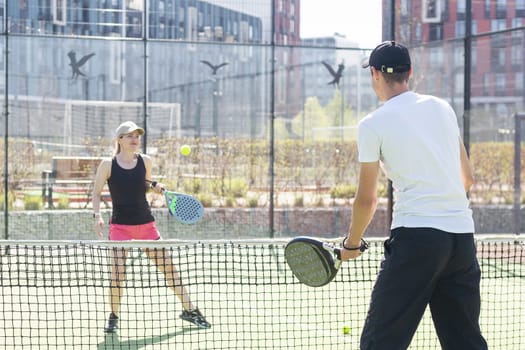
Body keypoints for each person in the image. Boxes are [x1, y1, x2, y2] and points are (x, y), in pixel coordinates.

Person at [340, 41, 488, 350]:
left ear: (376, 75)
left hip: (416, 241)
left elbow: (367, 199)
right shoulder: (442, 108)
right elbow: (468, 178)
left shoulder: (372, 124)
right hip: (461, 241)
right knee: (465, 342)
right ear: (409, 73)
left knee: (381, 342)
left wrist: (351, 244)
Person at [92, 120, 210, 333]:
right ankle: (114, 316)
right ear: (119, 139)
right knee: (118, 275)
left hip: (146, 225)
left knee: (169, 270)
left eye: (137, 135)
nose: (135, 139)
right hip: (120, 227)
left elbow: (144, 184)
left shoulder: (145, 161)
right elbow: (96, 192)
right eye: (130, 135)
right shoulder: (107, 164)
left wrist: (155, 187)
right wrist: (97, 215)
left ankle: (190, 311)